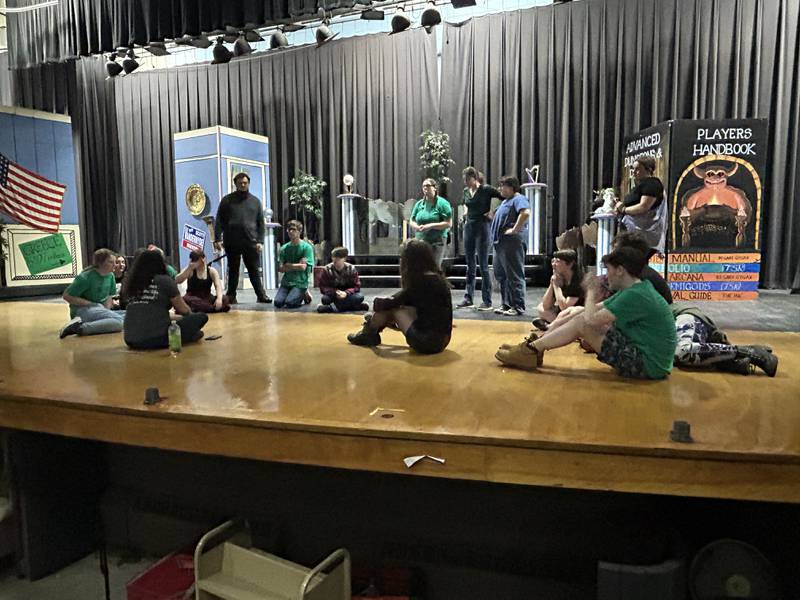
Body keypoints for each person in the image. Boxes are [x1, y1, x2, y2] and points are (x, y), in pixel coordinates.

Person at [495, 247, 676, 379]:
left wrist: (590, 291)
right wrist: (588, 300)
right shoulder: (635, 289)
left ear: (620, 270)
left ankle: (532, 350)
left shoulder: (636, 294)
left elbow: (590, 320)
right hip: (651, 359)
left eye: (609, 269)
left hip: (649, 365)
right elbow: (592, 310)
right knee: (578, 312)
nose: (607, 275)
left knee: (582, 321)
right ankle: (534, 348)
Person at [348, 239, 452, 354]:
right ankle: (370, 330)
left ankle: (368, 332)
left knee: (395, 310)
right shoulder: (437, 278)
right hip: (443, 340)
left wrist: (379, 310)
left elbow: (389, 303)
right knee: (402, 308)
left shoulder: (420, 281)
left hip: (426, 342)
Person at [122, 250, 208, 349]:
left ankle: (189, 335)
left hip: (130, 339)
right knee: (201, 317)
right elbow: (184, 310)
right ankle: (189, 335)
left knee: (186, 327)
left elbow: (147, 311)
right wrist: (191, 320)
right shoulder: (164, 280)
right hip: (155, 338)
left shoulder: (131, 283)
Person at [214, 172, 272, 304]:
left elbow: (260, 224)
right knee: (233, 269)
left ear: (248, 183)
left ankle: (261, 295)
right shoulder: (227, 200)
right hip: (231, 241)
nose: (243, 185)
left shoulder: (256, 201)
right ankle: (231, 296)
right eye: (240, 183)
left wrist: (260, 241)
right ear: (235, 184)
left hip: (250, 241)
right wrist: (217, 239)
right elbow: (219, 221)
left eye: (245, 183)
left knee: (253, 270)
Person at [673, 305, 778, 376]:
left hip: (684, 317)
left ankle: (750, 352)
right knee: (683, 357)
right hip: (677, 328)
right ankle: (731, 362)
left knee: (683, 351)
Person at [457, 166, 501, 310]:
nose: (466, 182)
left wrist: (493, 213)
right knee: (470, 264)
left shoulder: (486, 190)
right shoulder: (465, 191)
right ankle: (468, 297)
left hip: (482, 226)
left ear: (474, 178)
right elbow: (465, 203)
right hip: (469, 226)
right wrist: (464, 213)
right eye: (464, 180)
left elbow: (504, 198)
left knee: (482, 264)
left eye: (468, 179)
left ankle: (487, 300)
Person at [59, 249, 125, 338]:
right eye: (110, 262)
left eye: (115, 262)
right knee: (119, 321)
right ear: (100, 263)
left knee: (130, 314)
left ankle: (102, 323)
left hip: (99, 309)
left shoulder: (110, 276)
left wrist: (106, 312)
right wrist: (92, 304)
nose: (115, 265)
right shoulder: (85, 277)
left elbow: (109, 297)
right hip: (83, 310)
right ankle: (80, 327)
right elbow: (67, 296)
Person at [490, 175, 530, 316]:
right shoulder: (506, 201)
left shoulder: (518, 198)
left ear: (512, 187)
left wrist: (515, 229)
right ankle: (506, 304)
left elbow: (525, 212)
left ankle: (517, 305)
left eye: (503, 186)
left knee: (514, 274)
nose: (500, 189)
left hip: (511, 242)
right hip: (500, 243)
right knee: (502, 275)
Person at [615, 155, 667, 252]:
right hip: (633, 232)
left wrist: (623, 209)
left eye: (638, 169)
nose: (634, 172)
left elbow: (643, 207)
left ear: (649, 169)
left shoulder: (652, 184)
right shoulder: (641, 185)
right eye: (633, 169)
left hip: (641, 235)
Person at [533, 249, 584, 330]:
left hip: (577, 313)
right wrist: (552, 282)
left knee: (567, 313)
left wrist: (557, 287)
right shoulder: (560, 278)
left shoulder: (578, 281)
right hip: (564, 314)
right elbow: (546, 305)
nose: (553, 264)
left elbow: (565, 307)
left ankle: (555, 326)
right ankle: (558, 325)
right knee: (541, 308)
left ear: (570, 264)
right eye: (553, 261)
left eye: (558, 261)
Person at [409, 178, 453, 267]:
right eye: (423, 186)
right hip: (421, 241)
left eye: (428, 186)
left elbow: (448, 223)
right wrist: (417, 227)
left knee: (434, 268)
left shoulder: (442, 203)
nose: (425, 188)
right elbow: (411, 220)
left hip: (437, 241)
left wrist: (431, 226)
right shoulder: (419, 204)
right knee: (421, 268)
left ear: (434, 188)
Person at [275, 220, 314, 309]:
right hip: (287, 282)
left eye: (293, 229)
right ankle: (296, 293)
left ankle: (303, 291)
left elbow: (303, 267)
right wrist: (297, 265)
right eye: (289, 229)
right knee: (278, 302)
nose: (290, 232)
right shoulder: (284, 248)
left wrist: (289, 265)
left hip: (300, 282)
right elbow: (280, 268)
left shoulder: (306, 248)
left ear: (299, 231)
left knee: (290, 303)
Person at [317, 247, 369, 313]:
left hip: (348, 295)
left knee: (360, 297)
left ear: (344, 259)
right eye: (333, 259)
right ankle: (356, 307)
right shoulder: (327, 269)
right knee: (325, 299)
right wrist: (335, 292)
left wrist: (346, 293)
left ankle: (332, 308)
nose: (335, 261)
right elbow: (323, 287)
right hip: (334, 294)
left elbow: (356, 286)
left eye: (338, 259)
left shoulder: (351, 268)